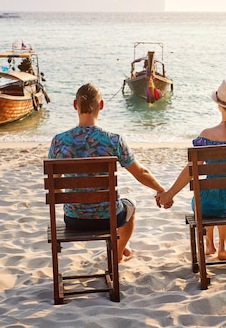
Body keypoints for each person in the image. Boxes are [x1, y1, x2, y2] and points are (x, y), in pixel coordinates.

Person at [48, 83, 165, 261]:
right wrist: (161, 190)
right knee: (129, 205)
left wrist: (72, 201)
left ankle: (119, 250)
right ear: (101, 106)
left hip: (74, 219)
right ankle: (117, 254)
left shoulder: (59, 141)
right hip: (108, 219)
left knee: (121, 205)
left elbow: (54, 185)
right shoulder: (113, 141)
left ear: (75, 105)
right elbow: (141, 173)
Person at [155, 78, 226, 261]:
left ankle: (210, 244)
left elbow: (191, 171)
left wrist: (169, 194)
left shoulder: (207, 136)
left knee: (211, 196)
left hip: (209, 207)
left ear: (218, 105)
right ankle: (223, 246)